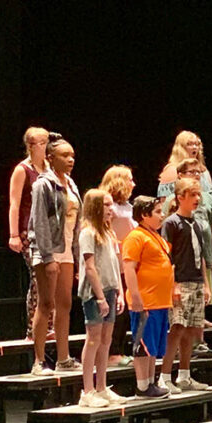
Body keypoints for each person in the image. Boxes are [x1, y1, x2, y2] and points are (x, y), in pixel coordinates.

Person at [28, 133, 82, 375]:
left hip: (67, 248)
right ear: (50, 157)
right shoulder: (43, 183)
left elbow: (76, 221)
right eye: (65, 155)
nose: (71, 159)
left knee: (65, 304)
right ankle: (39, 361)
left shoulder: (70, 183)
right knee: (46, 303)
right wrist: (47, 257)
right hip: (47, 250)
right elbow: (39, 221)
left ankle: (63, 358)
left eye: (72, 155)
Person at [158, 177, 211, 394]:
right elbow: (167, 256)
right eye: (192, 195)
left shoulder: (196, 223)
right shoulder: (171, 223)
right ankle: (164, 376)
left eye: (198, 195)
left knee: (191, 330)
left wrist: (206, 284)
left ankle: (185, 375)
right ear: (180, 198)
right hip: (180, 282)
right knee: (177, 328)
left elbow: (202, 257)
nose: (197, 199)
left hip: (196, 281)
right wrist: (173, 285)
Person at [76, 189, 128, 407]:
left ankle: (102, 387)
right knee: (94, 338)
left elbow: (115, 264)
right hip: (95, 293)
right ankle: (87, 391)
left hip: (110, 289)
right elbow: (90, 267)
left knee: (106, 340)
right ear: (96, 207)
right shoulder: (88, 233)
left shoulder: (108, 233)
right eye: (107, 205)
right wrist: (100, 297)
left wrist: (119, 291)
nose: (111, 209)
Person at [122, 196, 173, 399]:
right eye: (158, 212)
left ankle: (151, 383)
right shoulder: (136, 237)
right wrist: (135, 297)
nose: (162, 216)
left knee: (153, 346)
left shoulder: (156, 236)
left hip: (160, 301)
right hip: (146, 302)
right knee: (143, 345)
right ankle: (142, 386)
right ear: (144, 215)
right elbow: (129, 267)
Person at [7, 126, 50, 339]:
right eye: (41, 143)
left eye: (47, 142)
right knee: (37, 278)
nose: (45, 147)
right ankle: (33, 329)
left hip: (50, 232)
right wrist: (14, 234)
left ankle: (48, 326)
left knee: (51, 279)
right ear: (31, 146)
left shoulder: (50, 168)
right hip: (28, 229)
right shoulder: (22, 170)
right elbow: (14, 204)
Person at [100, 165, 136, 366]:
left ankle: (119, 350)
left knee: (125, 310)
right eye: (129, 179)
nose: (133, 183)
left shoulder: (126, 206)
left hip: (127, 263)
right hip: (113, 262)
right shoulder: (109, 206)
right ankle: (111, 353)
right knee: (116, 310)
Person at [159, 130, 212, 201]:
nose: (194, 147)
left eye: (197, 144)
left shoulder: (204, 171)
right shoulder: (172, 171)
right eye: (190, 144)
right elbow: (165, 203)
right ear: (181, 148)